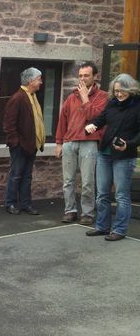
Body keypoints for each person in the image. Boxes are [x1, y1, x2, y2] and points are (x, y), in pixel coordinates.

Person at [84, 73, 140, 241]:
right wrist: (93, 125)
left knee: (121, 195)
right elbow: (101, 119)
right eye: (116, 91)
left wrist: (128, 144)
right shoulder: (111, 103)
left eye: (122, 91)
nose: (119, 94)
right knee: (102, 194)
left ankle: (120, 230)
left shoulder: (137, 106)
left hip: (124, 156)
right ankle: (102, 226)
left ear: (130, 90)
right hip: (105, 154)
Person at [55, 62, 109, 225]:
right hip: (70, 142)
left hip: (89, 143)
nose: (82, 78)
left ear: (95, 77)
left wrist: (85, 97)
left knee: (87, 181)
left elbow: (96, 119)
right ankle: (70, 210)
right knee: (68, 181)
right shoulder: (72, 97)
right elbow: (62, 120)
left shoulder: (103, 97)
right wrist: (59, 143)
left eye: (86, 75)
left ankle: (87, 213)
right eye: (80, 75)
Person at [3, 67, 45, 216]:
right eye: (39, 79)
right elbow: (9, 124)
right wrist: (16, 143)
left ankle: (26, 204)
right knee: (15, 175)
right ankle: (11, 204)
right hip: (20, 146)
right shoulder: (18, 98)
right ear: (30, 81)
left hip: (31, 145)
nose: (41, 82)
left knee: (27, 176)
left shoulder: (32, 96)